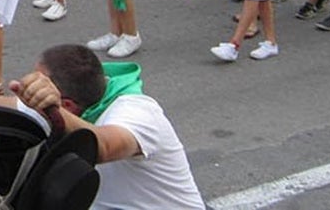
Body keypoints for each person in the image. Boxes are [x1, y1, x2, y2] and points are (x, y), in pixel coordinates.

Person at [11, 44, 204, 209]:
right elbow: (6, 105)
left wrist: (52, 110)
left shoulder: (139, 113)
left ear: (67, 106)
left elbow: (101, 145)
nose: (37, 87)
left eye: (42, 84)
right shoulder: (77, 104)